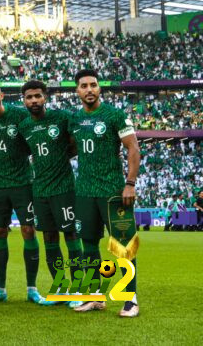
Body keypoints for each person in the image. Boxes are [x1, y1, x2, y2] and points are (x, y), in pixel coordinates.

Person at [70, 69, 141, 317]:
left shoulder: (115, 115)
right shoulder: (74, 120)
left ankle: (130, 299)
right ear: (77, 91)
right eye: (84, 86)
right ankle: (94, 297)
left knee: (123, 247)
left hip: (113, 191)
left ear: (99, 88)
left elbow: (133, 148)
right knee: (88, 245)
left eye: (93, 85)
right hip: (85, 192)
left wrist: (130, 183)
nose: (89, 89)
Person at [0, 80, 51, 305]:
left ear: (1, 95)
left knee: (28, 230)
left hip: (23, 182)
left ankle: (32, 289)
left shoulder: (20, 116)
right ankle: (0, 289)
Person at [17, 80, 82, 309]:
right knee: (49, 239)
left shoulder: (61, 118)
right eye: (29, 97)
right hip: (40, 190)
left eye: (37, 96)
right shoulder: (24, 126)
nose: (34, 100)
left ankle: (80, 289)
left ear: (45, 97)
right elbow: (27, 151)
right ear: (23, 100)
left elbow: (75, 144)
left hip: (64, 188)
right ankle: (61, 288)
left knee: (71, 236)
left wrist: (61, 156)